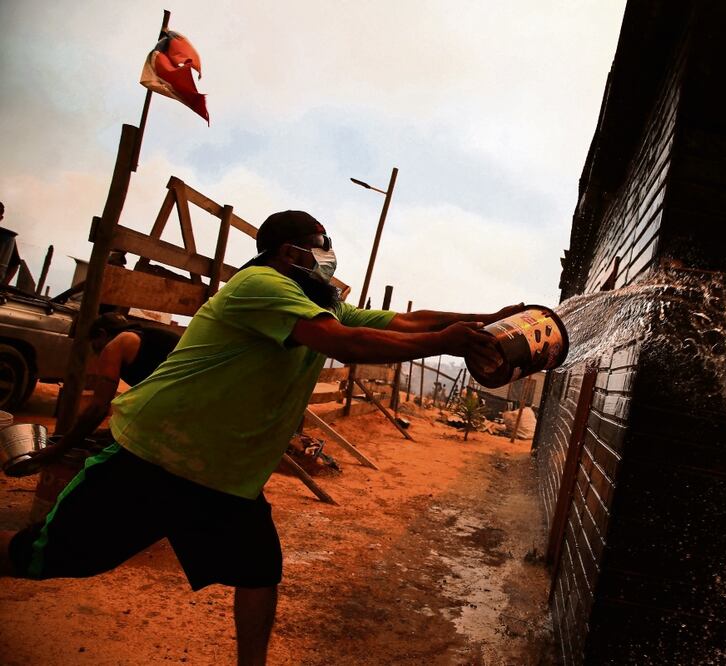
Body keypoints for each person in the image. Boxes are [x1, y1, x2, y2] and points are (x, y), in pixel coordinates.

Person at [1, 210, 518, 665]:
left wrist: (483, 321)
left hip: (224, 477)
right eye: (322, 248)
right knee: (50, 558)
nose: (329, 258)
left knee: (259, 570)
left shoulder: (319, 302)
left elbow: (405, 319)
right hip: (155, 458)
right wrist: (441, 342)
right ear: (291, 253)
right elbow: (340, 342)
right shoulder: (261, 288)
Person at [30, 313, 182, 464]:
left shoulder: (118, 344)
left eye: (95, 345)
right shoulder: (146, 338)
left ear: (102, 334)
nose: (96, 353)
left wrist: (58, 449)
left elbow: (98, 408)